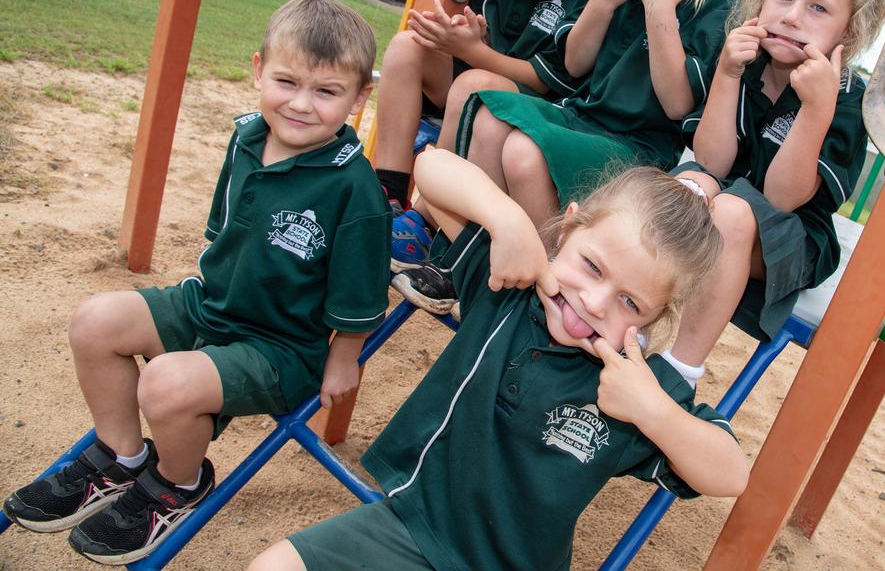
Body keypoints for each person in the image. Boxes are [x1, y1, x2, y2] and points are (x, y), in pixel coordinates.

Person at [2, 0, 392, 564]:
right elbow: (225, 230)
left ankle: (176, 484)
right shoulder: (247, 138)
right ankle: (122, 456)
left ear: (360, 98)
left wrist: (343, 357)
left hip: (279, 346)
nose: (302, 105)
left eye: (327, 91)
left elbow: (359, 293)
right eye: (287, 82)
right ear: (258, 70)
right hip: (211, 305)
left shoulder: (353, 189)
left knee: (164, 382)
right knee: (95, 321)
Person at [247, 149, 748, 571]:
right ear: (567, 229)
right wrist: (506, 220)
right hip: (411, 530)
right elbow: (431, 168)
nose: (595, 303)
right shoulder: (508, 289)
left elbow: (730, 474)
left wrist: (652, 411)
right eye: (592, 266)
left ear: (658, 317)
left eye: (630, 303)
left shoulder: (637, 385)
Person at [394, 0, 734, 313]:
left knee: (524, 153)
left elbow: (678, 103)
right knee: (484, 111)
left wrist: (660, 12)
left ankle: (544, 289)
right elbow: (574, 64)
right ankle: (466, 263)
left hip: (637, 150)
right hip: (579, 118)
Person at [381, 0, 617, 268]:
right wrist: (467, 37)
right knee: (407, 46)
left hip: (535, 109)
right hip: (480, 74)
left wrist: (474, 52)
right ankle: (387, 194)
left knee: (475, 84)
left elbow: (551, 79)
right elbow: (473, 35)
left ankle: (427, 217)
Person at [669, 0, 885, 368]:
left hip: (791, 236)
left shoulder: (846, 97)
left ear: (849, 30)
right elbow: (712, 162)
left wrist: (815, 110)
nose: (792, 17)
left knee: (731, 213)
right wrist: (728, 76)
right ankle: (629, 330)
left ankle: (680, 369)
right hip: (724, 200)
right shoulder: (743, 60)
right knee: (688, 186)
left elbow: (782, 198)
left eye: (818, 9)